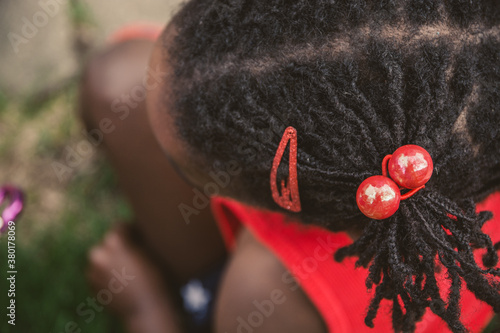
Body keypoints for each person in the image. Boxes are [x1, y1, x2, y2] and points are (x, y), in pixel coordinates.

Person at [81, 1, 500, 332]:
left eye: (182, 167)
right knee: (118, 81)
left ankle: (194, 302)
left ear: (283, 186)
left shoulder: (270, 305)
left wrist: (146, 312)